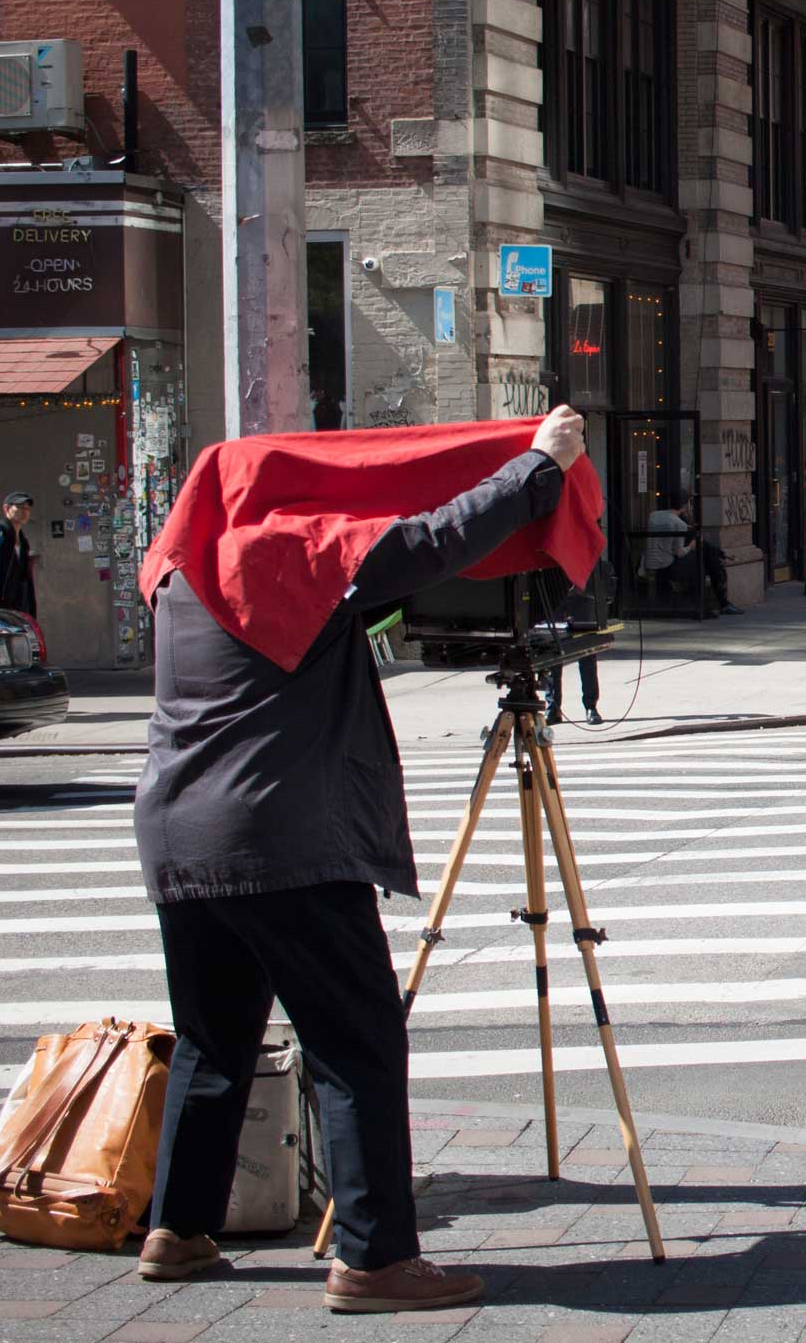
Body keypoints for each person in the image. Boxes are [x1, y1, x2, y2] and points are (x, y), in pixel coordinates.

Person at [130, 408, 591, 1314]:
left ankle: (176, 1229)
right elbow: (425, 545)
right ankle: (375, 1256)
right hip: (279, 836)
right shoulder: (288, 549)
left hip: (179, 834)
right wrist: (537, 470)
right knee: (358, 1041)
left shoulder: (177, 570)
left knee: (214, 1041)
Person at [642, 498, 741, 615]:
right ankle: (715, 604)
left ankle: (721, 555)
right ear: (685, 506)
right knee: (704, 560)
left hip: (649, 563)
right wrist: (690, 546)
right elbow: (679, 553)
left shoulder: (654, 515)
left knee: (704, 548)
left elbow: (666, 539)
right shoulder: (679, 523)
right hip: (666, 567)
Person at [544, 562, 604, 727]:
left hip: (580, 593)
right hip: (553, 592)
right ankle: (553, 707)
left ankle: (591, 705)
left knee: (586, 652)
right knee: (553, 652)